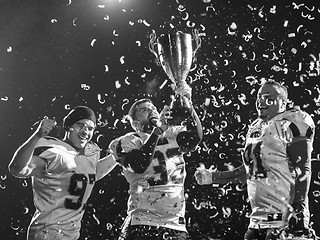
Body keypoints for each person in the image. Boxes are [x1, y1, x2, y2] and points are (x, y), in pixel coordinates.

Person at [195, 80, 318, 240]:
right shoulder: (255, 127)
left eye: (268, 97)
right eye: (259, 97)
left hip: (283, 220)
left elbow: (303, 168)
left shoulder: (292, 123)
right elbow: (251, 171)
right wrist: (213, 177)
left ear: (283, 102)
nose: (261, 101)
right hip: (257, 220)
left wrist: (299, 208)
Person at [108, 83, 203, 240]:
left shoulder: (172, 134)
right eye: (144, 110)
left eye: (152, 107)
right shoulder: (127, 141)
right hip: (142, 223)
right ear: (135, 122)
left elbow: (196, 138)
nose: (151, 110)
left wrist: (189, 104)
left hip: (175, 225)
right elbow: (139, 164)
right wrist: (157, 132)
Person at [8, 106, 118, 240]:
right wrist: (37, 136)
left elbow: (91, 174)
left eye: (90, 128)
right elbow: (17, 169)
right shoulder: (55, 151)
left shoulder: (91, 151)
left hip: (71, 235)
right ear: (68, 126)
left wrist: (116, 157)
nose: (85, 132)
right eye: (80, 125)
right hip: (47, 233)